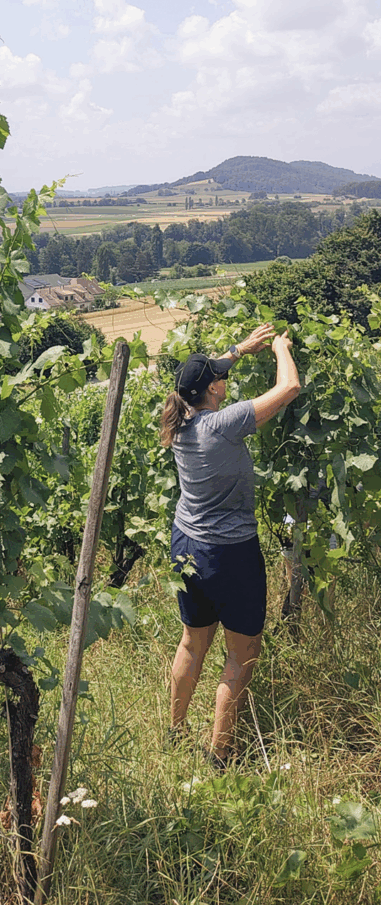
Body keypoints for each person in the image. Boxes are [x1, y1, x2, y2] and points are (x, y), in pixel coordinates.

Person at [160, 324, 300, 767]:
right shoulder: (225, 423)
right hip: (229, 554)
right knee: (241, 655)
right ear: (215, 389)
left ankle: (176, 733)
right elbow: (289, 386)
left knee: (192, 643)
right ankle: (222, 758)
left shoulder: (179, 417)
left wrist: (240, 350)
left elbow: (205, 374)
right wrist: (279, 348)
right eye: (221, 376)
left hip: (186, 544)